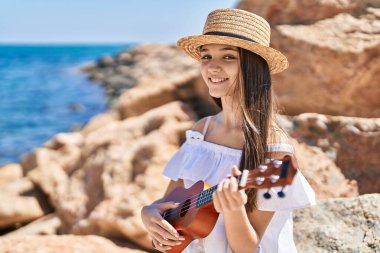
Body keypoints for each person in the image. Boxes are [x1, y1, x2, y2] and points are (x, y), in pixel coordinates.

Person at [141, 8, 315, 253]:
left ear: (253, 67)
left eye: (228, 57)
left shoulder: (274, 151)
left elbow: (247, 248)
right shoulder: (202, 130)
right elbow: (170, 202)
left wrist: (233, 210)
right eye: (206, 56)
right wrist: (148, 213)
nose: (212, 67)